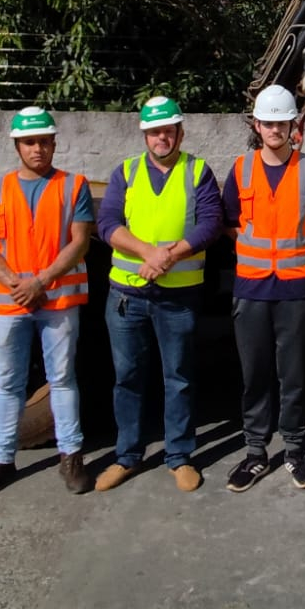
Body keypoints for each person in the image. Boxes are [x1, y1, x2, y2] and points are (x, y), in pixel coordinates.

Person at [91, 95, 222, 493]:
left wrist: (168, 257)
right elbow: (107, 222)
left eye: (168, 130)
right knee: (127, 378)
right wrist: (150, 253)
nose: (161, 137)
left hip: (177, 297)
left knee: (178, 377)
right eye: (154, 131)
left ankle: (179, 457)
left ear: (180, 132)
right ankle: (127, 456)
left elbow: (211, 224)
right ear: (144, 134)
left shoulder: (197, 171)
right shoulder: (125, 172)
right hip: (127, 296)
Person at [0, 107, 94, 501]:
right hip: (8, 303)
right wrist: (14, 282)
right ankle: (0, 460)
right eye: (30, 142)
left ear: (54, 142)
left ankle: (71, 455)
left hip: (58, 300)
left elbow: (80, 241)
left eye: (45, 141)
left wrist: (40, 280)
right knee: (8, 384)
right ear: (17, 145)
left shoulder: (74, 186)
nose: (39, 149)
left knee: (62, 380)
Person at [222, 85, 305, 491]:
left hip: (295, 290)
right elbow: (230, 222)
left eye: (281, 122)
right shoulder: (240, 169)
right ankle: (255, 453)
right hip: (251, 290)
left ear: (293, 126)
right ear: (257, 125)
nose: (274, 128)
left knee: (293, 375)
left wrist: (296, 248)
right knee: (255, 376)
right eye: (267, 122)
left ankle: (295, 450)